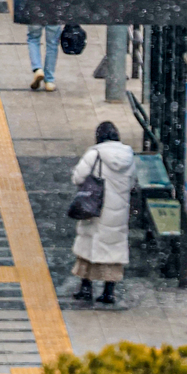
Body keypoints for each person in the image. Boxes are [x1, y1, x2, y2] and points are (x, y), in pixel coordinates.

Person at [70, 120, 136, 305]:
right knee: (114, 247)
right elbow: (131, 182)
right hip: (118, 210)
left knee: (89, 244)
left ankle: (85, 287)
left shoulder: (95, 154)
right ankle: (109, 291)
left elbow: (78, 177)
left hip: (95, 207)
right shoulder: (128, 155)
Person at [27, 24, 65, 92]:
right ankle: (49, 81)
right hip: (54, 15)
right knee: (52, 43)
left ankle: (37, 69)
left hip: (35, 14)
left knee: (33, 39)